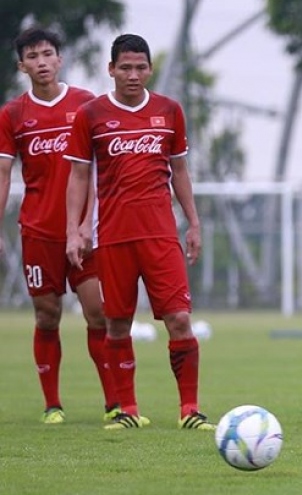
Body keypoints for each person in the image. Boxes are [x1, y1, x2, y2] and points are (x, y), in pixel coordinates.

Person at [64, 33, 213, 430]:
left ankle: (189, 410)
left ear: (150, 69)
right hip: (112, 236)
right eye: (125, 67)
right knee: (117, 323)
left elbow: (179, 171)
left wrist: (194, 223)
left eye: (141, 67)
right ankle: (127, 409)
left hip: (161, 236)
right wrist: (74, 230)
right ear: (110, 69)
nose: (133, 75)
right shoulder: (91, 115)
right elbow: (78, 177)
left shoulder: (169, 111)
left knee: (179, 318)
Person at [0, 27, 119, 424]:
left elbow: (100, 170)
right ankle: (52, 405)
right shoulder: (13, 115)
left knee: (98, 313)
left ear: (60, 59)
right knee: (46, 316)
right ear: (22, 65)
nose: (42, 62)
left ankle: (113, 404)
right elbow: (2, 174)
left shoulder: (86, 105)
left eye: (48, 54)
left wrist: (87, 223)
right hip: (38, 232)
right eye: (33, 57)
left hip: (84, 233)